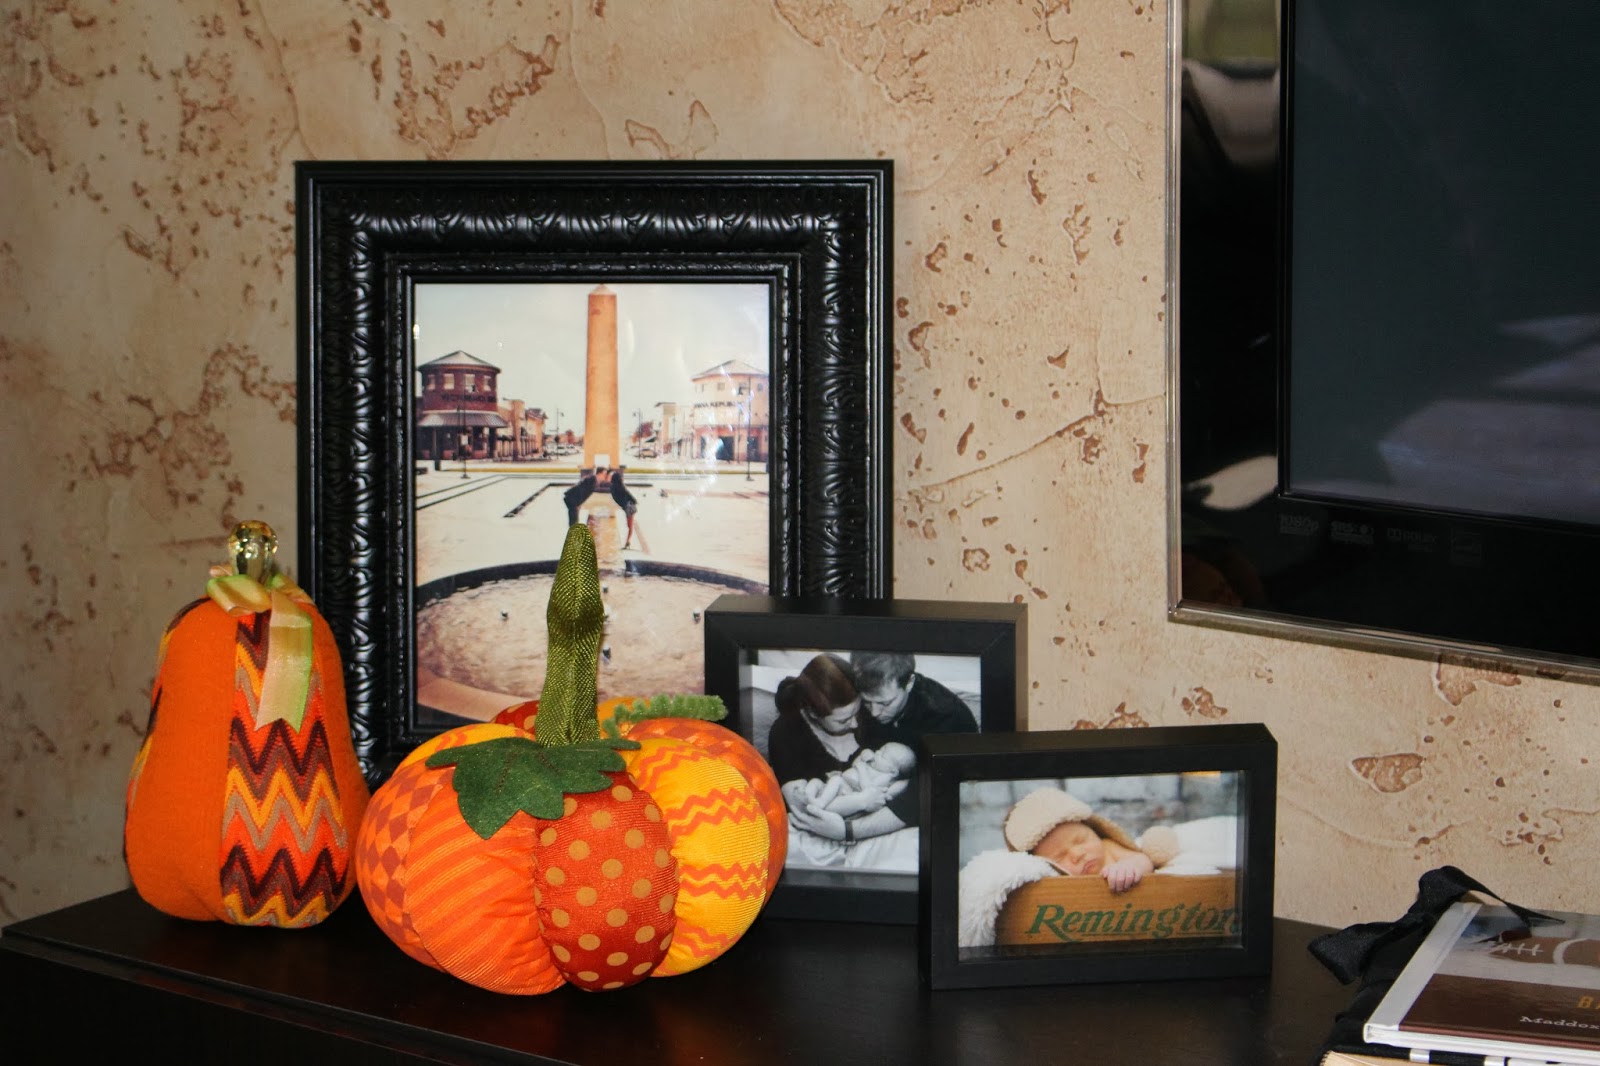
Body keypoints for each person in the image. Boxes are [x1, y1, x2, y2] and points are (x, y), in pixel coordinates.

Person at [766, 654, 916, 871]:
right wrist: (861, 802)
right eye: (843, 720)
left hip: (872, 832)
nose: (855, 723)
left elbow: (908, 786)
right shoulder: (786, 731)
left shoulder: (872, 716)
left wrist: (853, 827)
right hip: (815, 840)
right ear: (812, 713)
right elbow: (803, 809)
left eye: (857, 712)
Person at [1001, 787, 1181, 895]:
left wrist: (1129, 867)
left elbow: (1142, 859)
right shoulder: (1057, 882)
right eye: (1060, 856)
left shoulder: (1108, 847)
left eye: (1080, 840)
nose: (1077, 854)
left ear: (1094, 830)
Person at [850, 651, 979, 745]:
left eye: (885, 703)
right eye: (867, 702)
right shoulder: (860, 690)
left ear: (909, 683)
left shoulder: (948, 719)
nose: (874, 713)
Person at [778, 740, 916, 820]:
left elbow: (869, 791)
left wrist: (861, 768)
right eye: (880, 749)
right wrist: (862, 756)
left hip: (850, 794)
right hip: (838, 785)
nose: (878, 752)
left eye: (883, 755)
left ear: (893, 771)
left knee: (836, 780)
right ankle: (808, 796)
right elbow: (854, 764)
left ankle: (820, 803)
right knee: (815, 782)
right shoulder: (874, 762)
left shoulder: (885, 777)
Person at [609, 466, 638, 549]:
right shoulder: (621, 486)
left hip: (626, 507)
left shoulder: (612, 488)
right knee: (630, 526)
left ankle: (627, 543)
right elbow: (628, 494)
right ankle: (627, 542)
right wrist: (635, 501)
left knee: (629, 526)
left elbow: (617, 498)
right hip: (630, 506)